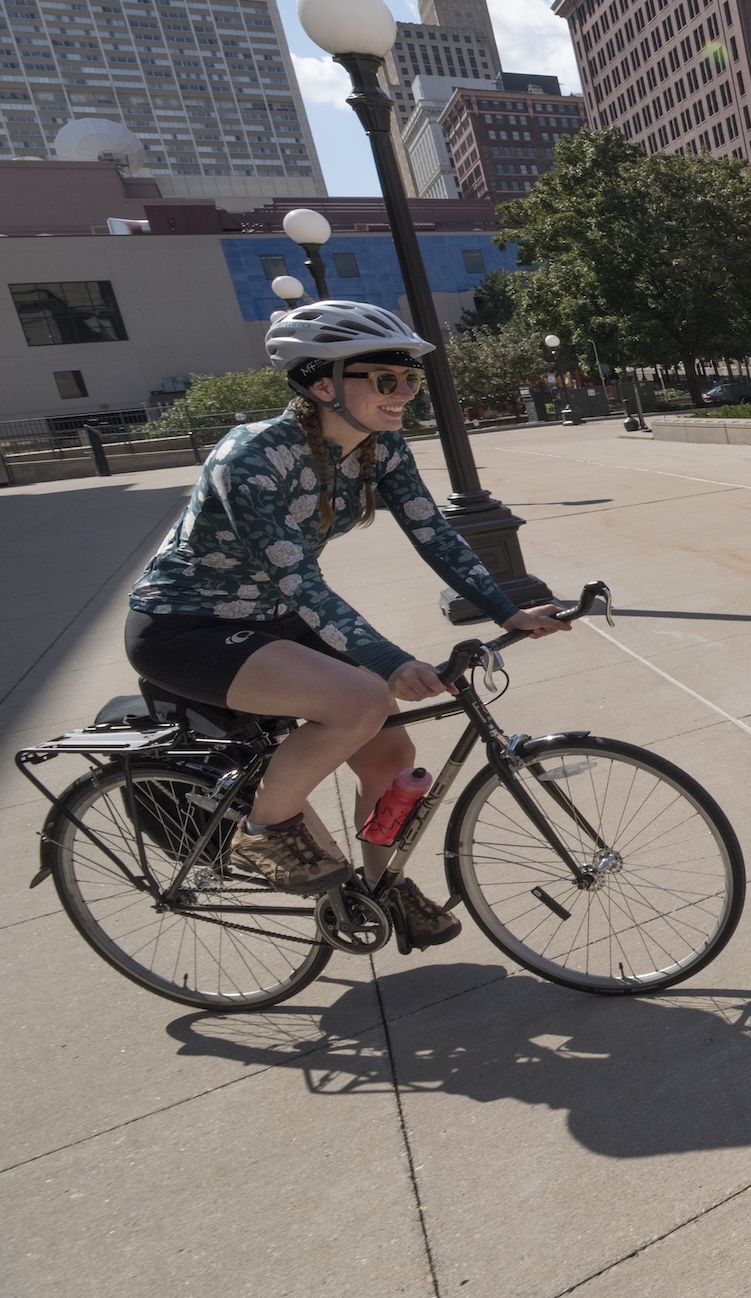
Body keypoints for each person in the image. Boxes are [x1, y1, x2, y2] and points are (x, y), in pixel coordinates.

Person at [125, 300, 571, 944]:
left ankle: (378, 886)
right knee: (362, 698)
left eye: (412, 379)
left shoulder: (378, 448)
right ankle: (262, 828)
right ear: (320, 383)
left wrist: (507, 608)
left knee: (391, 753)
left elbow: (432, 532)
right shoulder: (249, 457)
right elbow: (299, 581)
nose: (406, 394)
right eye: (387, 380)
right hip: (184, 626)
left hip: (274, 620)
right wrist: (390, 661)